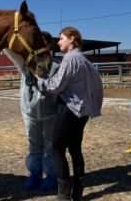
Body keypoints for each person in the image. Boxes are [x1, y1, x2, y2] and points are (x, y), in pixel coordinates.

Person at [35, 27, 103, 201]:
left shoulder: (70, 58)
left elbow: (55, 86)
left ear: (72, 39)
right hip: (83, 111)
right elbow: (97, 86)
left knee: (57, 148)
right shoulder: (85, 60)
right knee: (75, 149)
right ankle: (78, 191)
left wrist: (39, 80)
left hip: (70, 109)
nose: (58, 42)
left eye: (62, 38)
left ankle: (64, 194)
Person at [3, 31, 59, 192]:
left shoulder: (56, 65)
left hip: (50, 112)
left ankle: (51, 176)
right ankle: (35, 174)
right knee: (34, 145)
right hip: (29, 112)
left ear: (48, 45)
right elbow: (10, 52)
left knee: (50, 145)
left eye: (42, 43)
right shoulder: (26, 64)